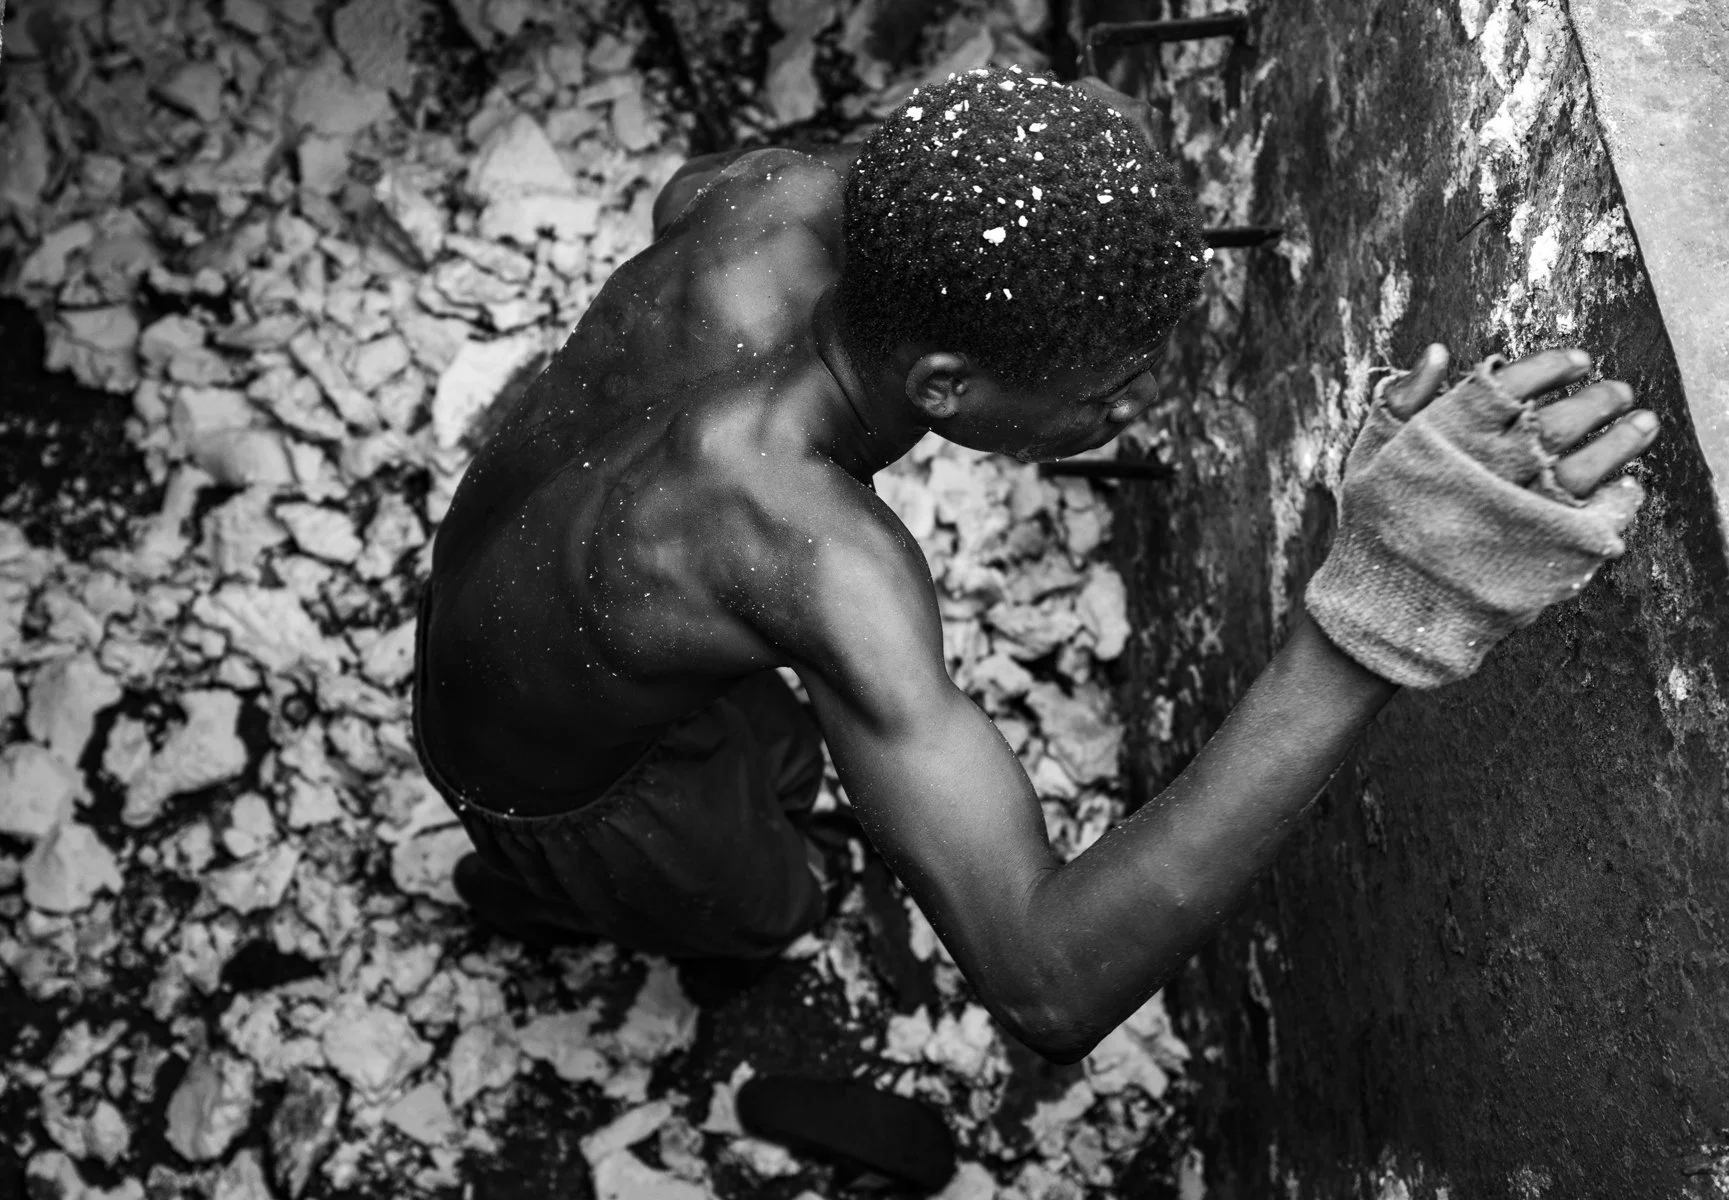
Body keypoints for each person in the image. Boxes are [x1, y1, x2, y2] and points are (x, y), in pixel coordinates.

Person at [412, 65, 1656, 1063]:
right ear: (945, 387)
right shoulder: (812, 557)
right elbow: (1043, 986)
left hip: (511, 585)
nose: (1126, 411)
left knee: (763, 749)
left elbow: (770, 185)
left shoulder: (766, 195)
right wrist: (1384, 603)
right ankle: (535, 888)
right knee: (762, 899)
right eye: (1104, 394)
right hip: (543, 772)